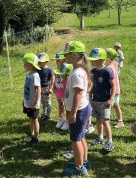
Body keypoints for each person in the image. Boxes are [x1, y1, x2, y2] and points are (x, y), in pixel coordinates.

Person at [62, 41, 92, 176]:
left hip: (79, 111)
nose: (64, 57)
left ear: (74, 55)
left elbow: (79, 93)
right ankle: (84, 161)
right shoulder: (78, 71)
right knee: (81, 137)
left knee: (75, 140)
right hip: (82, 109)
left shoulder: (77, 73)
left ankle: (79, 167)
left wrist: (73, 112)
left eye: (66, 54)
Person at [88, 48, 116, 152]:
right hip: (95, 100)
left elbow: (114, 85)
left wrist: (111, 98)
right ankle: (100, 137)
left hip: (105, 101)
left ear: (103, 60)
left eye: (96, 60)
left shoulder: (107, 71)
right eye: (93, 60)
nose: (94, 62)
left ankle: (110, 141)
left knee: (105, 121)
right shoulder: (93, 71)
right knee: (98, 120)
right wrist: (90, 98)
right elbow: (91, 85)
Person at [22, 53, 42, 146]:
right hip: (27, 102)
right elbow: (27, 88)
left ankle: (36, 137)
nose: (24, 65)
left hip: (33, 103)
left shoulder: (35, 75)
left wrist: (35, 102)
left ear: (31, 65)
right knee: (30, 118)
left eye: (25, 64)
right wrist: (24, 100)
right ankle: (32, 133)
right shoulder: (28, 74)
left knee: (34, 119)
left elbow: (38, 90)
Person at [105, 48, 124, 129]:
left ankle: (107, 121)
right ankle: (120, 121)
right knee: (116, 105)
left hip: (112, 91)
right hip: (116, 90)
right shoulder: (114, 64)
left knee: (110, 106)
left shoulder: (109, 68)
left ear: (107, 58)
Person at [54, 61, 72, 131]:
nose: (60, 76)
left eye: (62, 75)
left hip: (72, 103)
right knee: (66, 108)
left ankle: (69, 122)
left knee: (69, 109)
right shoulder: (66, 81)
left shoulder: (71, 83)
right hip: (67, 99)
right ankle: (66, 121)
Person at [37, 53, 55, 122]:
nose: (40, 63)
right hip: (39, 88)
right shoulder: (37, 69)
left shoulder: (49, 69)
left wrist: (51, 88)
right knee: (42, 102)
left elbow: (53, 78)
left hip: (46, 88)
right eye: (39, 62)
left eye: (41, 61)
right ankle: (44, 114)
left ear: (46, 61)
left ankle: (48, 116)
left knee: (48, 102)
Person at [52, 51, 67, 129]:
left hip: (65, 90)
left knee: (67, 105)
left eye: (58, 60)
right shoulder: (56, 70)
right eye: (56, 60)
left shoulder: (66, 69)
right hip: (58, 90)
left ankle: (67, 121)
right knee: (60, 105)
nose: (56, 62)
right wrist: (53, 86)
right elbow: (54, 78)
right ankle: (60, 119)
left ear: (63, 60)